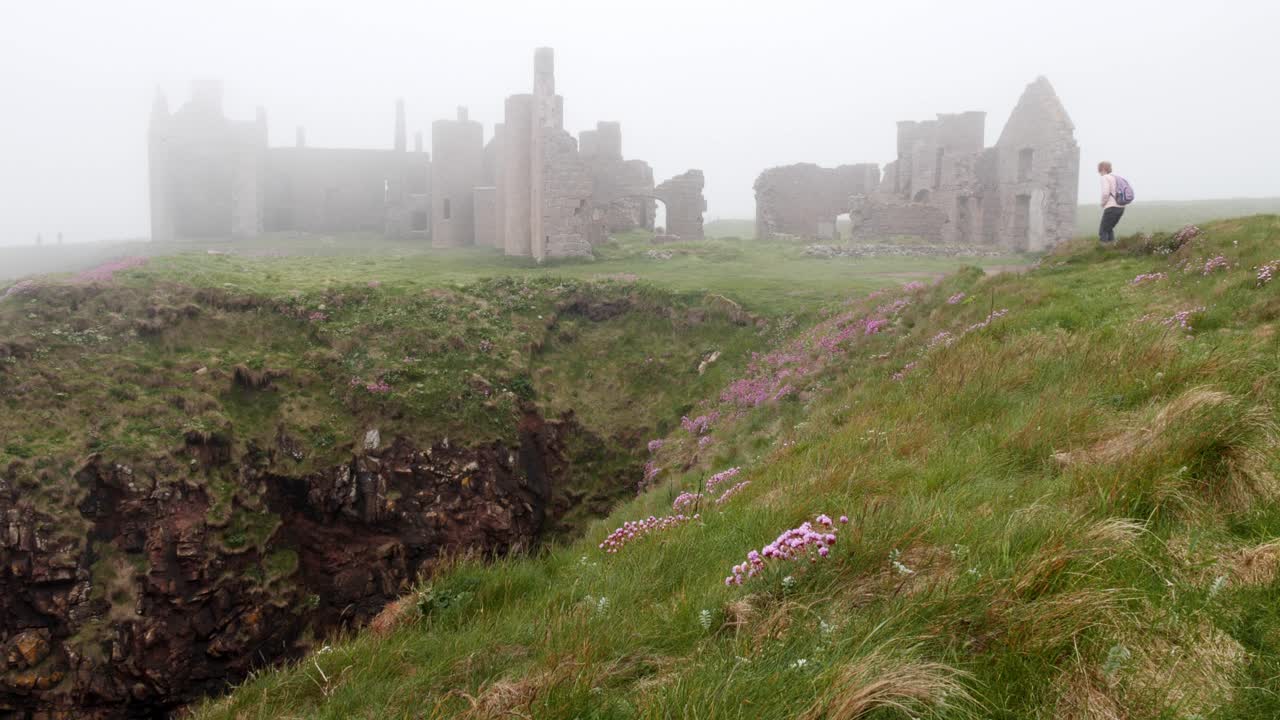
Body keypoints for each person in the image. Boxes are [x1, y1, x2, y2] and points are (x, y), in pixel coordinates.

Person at [1098, 161, 1124, 243]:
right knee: (1109, 229)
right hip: (1121, 207)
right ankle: (1112, 249)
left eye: (1099, 170)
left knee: (1103, 231)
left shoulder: (1105, 177)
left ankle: (1103, 250)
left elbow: (1106, 193)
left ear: (1102, 169)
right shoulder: (1115, 177)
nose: (1098, 172)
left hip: (1111, 207)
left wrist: (1102, 203)